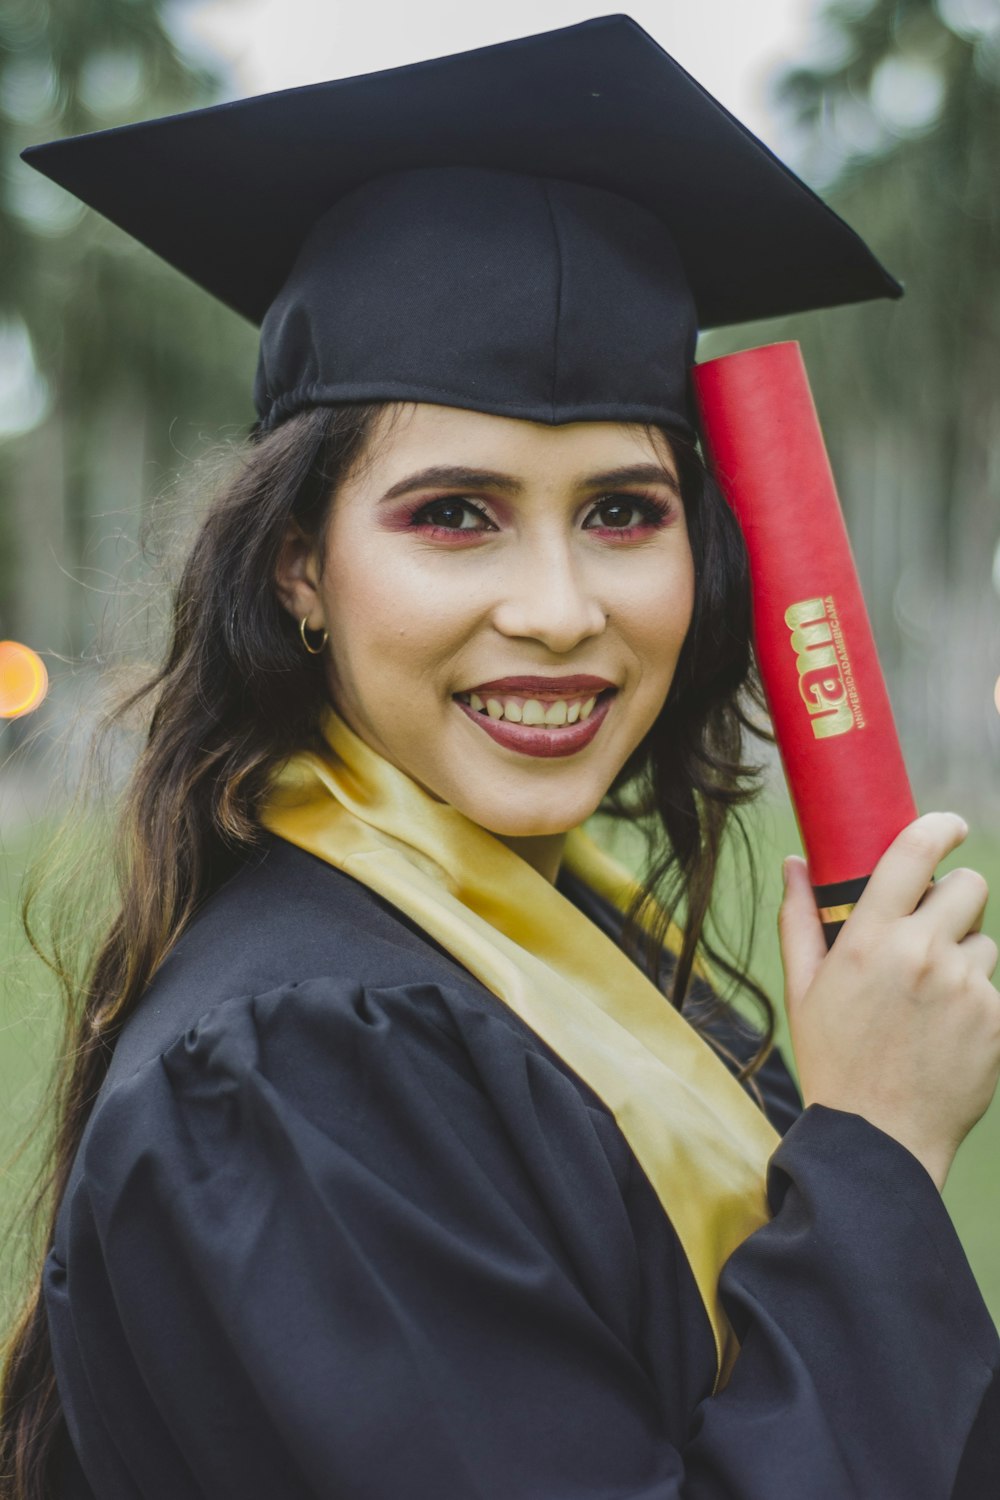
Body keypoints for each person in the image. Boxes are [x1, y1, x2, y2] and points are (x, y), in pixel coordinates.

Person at [3, 15, 999, 1500]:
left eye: (622, 511)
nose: (560, 611)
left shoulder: (559, 941)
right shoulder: (290, 1071)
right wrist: (873, 1152)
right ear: (297, 569)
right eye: (453, 513)